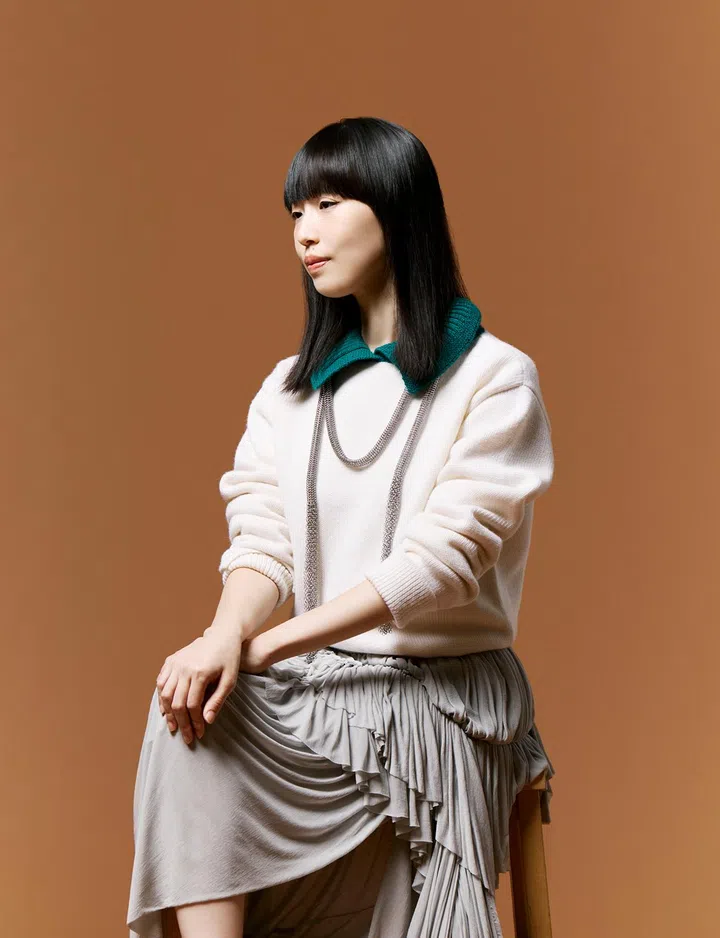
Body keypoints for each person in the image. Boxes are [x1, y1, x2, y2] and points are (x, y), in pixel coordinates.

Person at [126, 116, 556, 938]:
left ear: (398, 210)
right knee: (187, 709)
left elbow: (443, 563)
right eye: (296, 212)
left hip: (444, 692)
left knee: (218, 697)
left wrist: (267, 649)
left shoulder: (496, 378)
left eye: (328, 204)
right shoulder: (288, 389)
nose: (305, 232)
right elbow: (264, 542)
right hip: (328, 686)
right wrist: (224, 637)